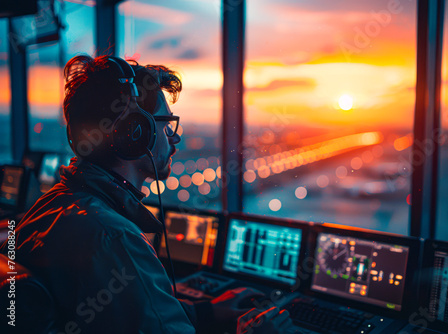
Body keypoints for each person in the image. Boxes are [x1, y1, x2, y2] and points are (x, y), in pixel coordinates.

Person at [2, 55, 292, 333]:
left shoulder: (52, 204)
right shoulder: (115, 238)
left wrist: (206, 312)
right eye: (167, 125)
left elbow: (120, 315)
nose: (175, 137)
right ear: (136, 133)